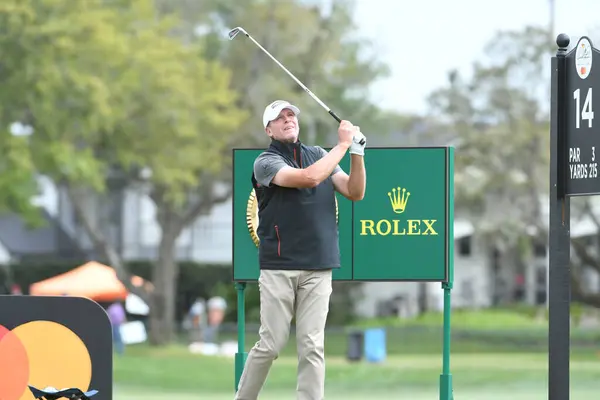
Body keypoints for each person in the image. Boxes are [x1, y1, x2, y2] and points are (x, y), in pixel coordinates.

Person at [234, 100, 367, 400]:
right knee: (270, 344)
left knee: (312, 345)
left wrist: (356, 153)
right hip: (279, 266)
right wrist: (344, 145)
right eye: (279, 118)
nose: (287, 119)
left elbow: (355, 192)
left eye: (291, 115)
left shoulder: (319, 154)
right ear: (268, 129)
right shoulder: (265, 162)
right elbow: (308, 178)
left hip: (319, 266)